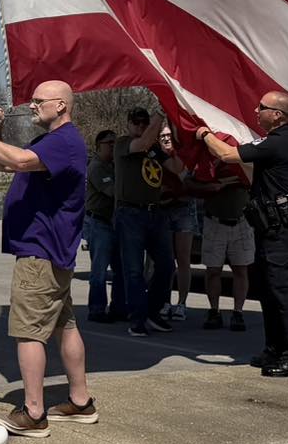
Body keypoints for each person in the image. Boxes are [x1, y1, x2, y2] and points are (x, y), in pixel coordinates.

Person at [0, 81, 96, 437]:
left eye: (39, 101)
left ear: (61, 106)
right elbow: (8, 165)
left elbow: (17, 160)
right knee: (64, 325)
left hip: (40, 254)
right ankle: (80, 402)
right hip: (53, 252)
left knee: (28, 332)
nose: (32, 105)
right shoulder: (53, 141)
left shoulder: (64, 143)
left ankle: (33, 413)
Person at [197, 91, 288, 377]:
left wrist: (204, 134)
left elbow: (226, 154)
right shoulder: (276, 141)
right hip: (269, 228)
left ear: (277, 114)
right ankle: (275, 349)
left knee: (284, 294)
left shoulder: (281, 141)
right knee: (269, 293)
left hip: (283, 230)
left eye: (262, 107)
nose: (255, 110)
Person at [113, 107, 176, 336]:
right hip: (130, 214)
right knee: (134, 270)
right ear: (128, 124)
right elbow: (140, 144)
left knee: (167, 266)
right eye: (136, 122)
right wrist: (161, 112)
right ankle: (137, 318)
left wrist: (175, 144)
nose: (140, 127)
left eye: (144, 123)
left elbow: (177, 168)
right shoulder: (123, 144)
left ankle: (153, 311)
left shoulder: (155, 149)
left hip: (155, 213)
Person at [196, 160, 254, 331]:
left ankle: (238, 312)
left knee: (240, 269)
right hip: (215, 220)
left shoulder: (244, 158)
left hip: (241, 221)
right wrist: (212, 186)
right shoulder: (208, 160)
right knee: (213, 270)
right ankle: (214, 310)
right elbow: (190, 182)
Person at [160, 124, 202, 322]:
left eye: (169, 135)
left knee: (183, 259)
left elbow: (181, 174)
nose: (166, 139)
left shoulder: (183, 156)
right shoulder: (155, 157)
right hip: (163, 210)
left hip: (184, 209)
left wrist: (176, 153)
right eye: (163, 136)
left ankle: (182, 303)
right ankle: (164, 301)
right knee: (164, 259)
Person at [84, 129, 120, 322]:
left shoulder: (115, 165)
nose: (113, 146)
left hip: (115, 223)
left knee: (119, 269)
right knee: (99, 270)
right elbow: (112, 191)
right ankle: (96, 309)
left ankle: (118, 307)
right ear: (99, 146)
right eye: (109, 143)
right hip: (100, 223)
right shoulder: (96, 166)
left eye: (115, 142)